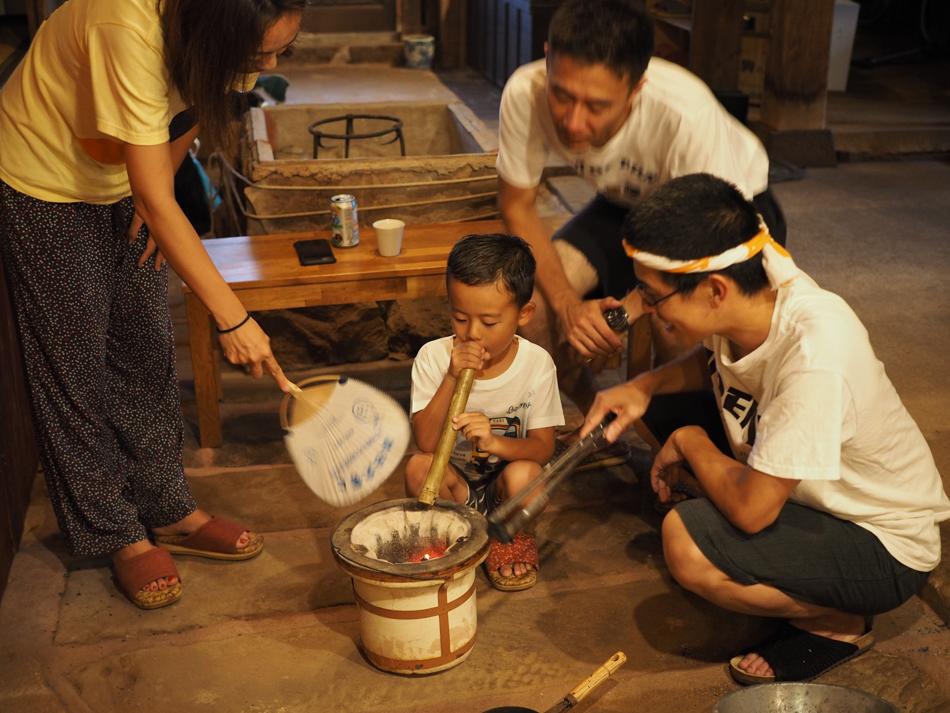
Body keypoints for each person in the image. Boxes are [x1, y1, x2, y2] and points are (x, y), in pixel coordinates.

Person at [581, 173, 950, 683]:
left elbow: (753, 512)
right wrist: (643, 385)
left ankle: (836, 621)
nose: (643, 310)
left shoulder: (815, 355)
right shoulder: (752, 282)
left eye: (653, 297)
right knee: (657, 408)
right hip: (813, 498)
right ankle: (788, 558)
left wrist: (691, 440)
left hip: (882, 542)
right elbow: (716, 361)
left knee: (685, 544)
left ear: (715, 291)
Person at [0, 0, 303, 610]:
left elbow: (195, 103)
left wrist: (154, 182)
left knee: (144, 345)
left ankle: (167, 507)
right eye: (260, 55)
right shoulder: (125, 24)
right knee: (75, 364)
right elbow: (162, 203)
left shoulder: (230, 28)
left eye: (280, 53)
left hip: (123, 170)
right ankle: (116, 532)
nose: (267, 66)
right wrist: (233, 317)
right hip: (45, 178)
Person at [497, 0, 785, 416]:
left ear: (636, 89)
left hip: (724, 218)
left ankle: (680, 445)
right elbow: (516, 206)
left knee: (678, 325)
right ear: (547, 58)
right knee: (531, 311)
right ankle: (597, 409)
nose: (573, 123)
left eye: (596, 106)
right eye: (561, 95)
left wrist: (626, 312)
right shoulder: (525, 91)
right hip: (627, 206)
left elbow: (706, 239)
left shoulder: (685, 114)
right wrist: (569, 308)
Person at [405, 234, 564, 591]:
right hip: (457, 488)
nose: (472, 334)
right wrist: (451, 376)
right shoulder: (433, 357)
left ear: (524, 314)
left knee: (529, 479)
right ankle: (455, 534)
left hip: (507, 490)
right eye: (460, 318)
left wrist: (496, 442)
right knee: (418, 467)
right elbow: (426, 441)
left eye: (489, 323)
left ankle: (510, 535)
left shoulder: (537, 365)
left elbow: (542, 448)